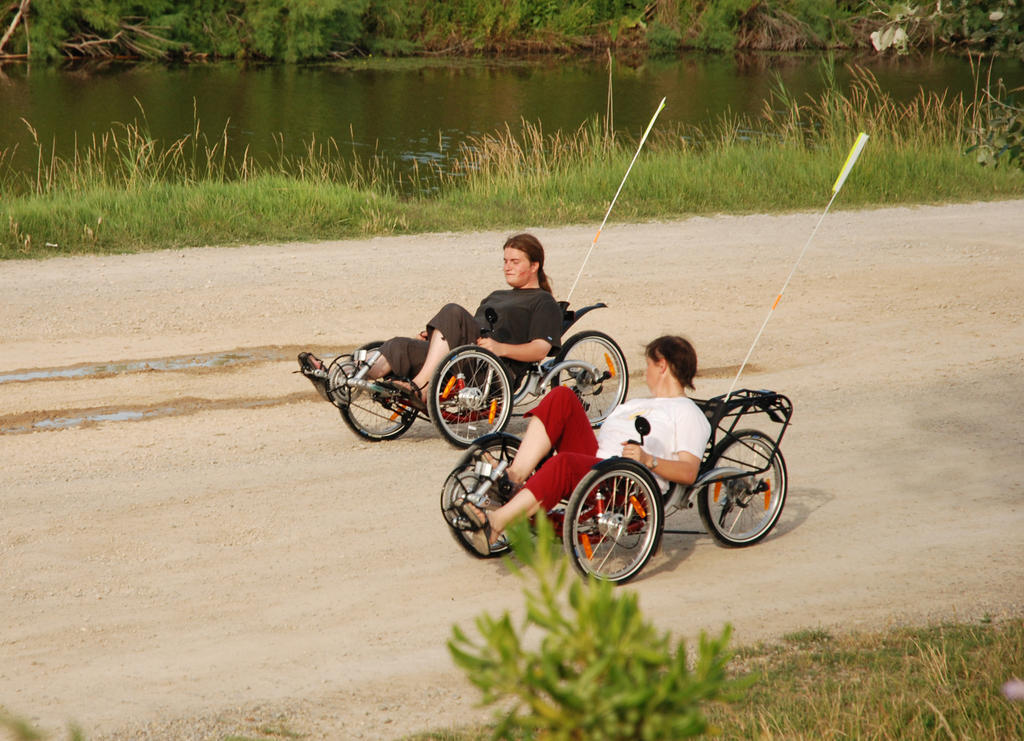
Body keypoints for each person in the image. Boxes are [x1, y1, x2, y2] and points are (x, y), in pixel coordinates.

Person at [460, 335, 712, 556]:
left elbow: (689, 472)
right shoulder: (636, 403)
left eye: (648, 365)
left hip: (625, 483)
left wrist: (649, 460)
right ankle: (511, 479)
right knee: (563, 396)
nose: (645, 372)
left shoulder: (687, 412)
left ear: (662, 366)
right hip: (599, 465)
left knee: (565, 463)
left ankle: (496, 523)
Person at [299, 233, 563, 408]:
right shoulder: (497, 294)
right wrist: (437, 336)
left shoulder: (543, 302)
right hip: (465, 356)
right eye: (505, 260)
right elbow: (469, 327)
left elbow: (541, 349)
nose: (507, 266)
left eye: (515, 261)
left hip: (491, 368)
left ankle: (422, 388)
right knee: (399, 345)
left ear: (535, 265)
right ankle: (341, 381)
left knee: (452, 311)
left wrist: (500, 348)